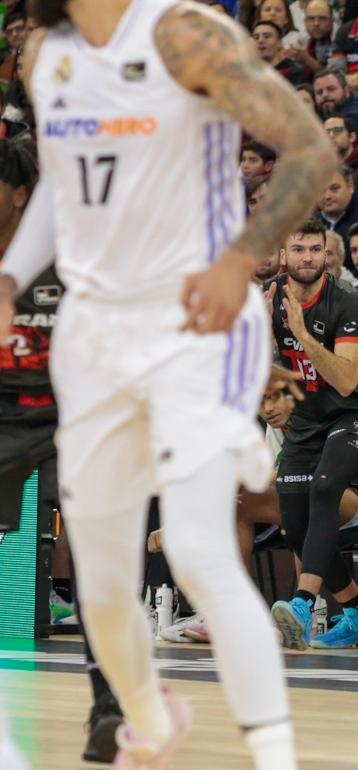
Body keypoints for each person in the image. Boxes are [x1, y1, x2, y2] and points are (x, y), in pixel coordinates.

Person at [1, 1, 339, 766]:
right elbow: (60, 185)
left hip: (194, 317)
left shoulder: (182, 34)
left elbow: (310, 149)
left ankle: (275, 754)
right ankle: (145, 712)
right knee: (104, 587)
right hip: (93, 333)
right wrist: (9, 277)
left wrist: (240, 257)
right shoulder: (43, 55)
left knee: (196, 548)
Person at [0, 139, 124, 764]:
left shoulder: (75, 255)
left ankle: (109, 707)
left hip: (72, 413)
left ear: (22, 194)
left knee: (101, 556)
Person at [266, 220, 358, 652]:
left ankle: (302, 603)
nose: (306, 258)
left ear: (326, 255)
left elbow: (344, 378)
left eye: (314, 250)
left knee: (325, 486)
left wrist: (300, 334)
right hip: (306, 419)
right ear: (284, 255)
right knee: (294, 526)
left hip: (357, 411)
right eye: (297, 249)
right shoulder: (270, 296)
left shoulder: (349, 300)